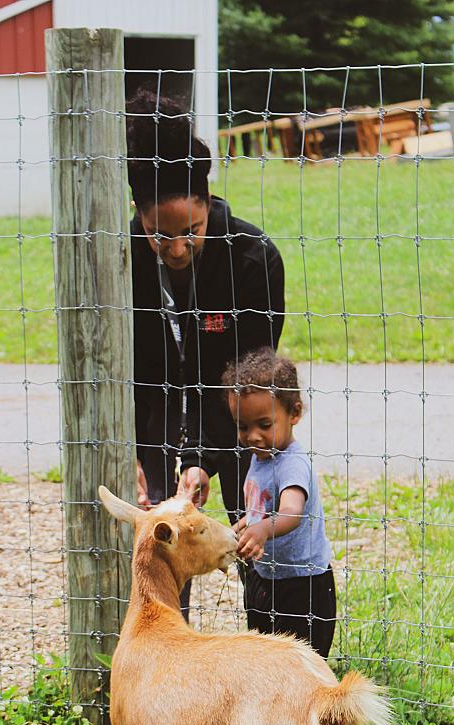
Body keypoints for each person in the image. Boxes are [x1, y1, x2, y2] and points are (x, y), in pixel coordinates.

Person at [126, 89, 285, 615]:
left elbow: (252, 380)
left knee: (256, 545)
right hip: (156, 413)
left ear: (206, 200)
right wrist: (135, 450)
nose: (174, 249)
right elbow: (136, 373)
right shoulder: (121, 258)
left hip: (238, 419)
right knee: (159, 548)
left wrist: (202, 460)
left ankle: (278, 653)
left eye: (189, 233)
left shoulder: (252, 259)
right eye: (158, 235)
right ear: (137, 215)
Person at [222, 348, 336, 658]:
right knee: (267, 661)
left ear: (294, 414)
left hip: (303, 585)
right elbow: (261, 509)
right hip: (267, 577)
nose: (253, 436)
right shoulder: (262, 456)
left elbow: (291, 512)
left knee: (303, 664)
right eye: (243, 427)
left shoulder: (292, 463)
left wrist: (260, 531)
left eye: (264, 424)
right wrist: (244, 528)